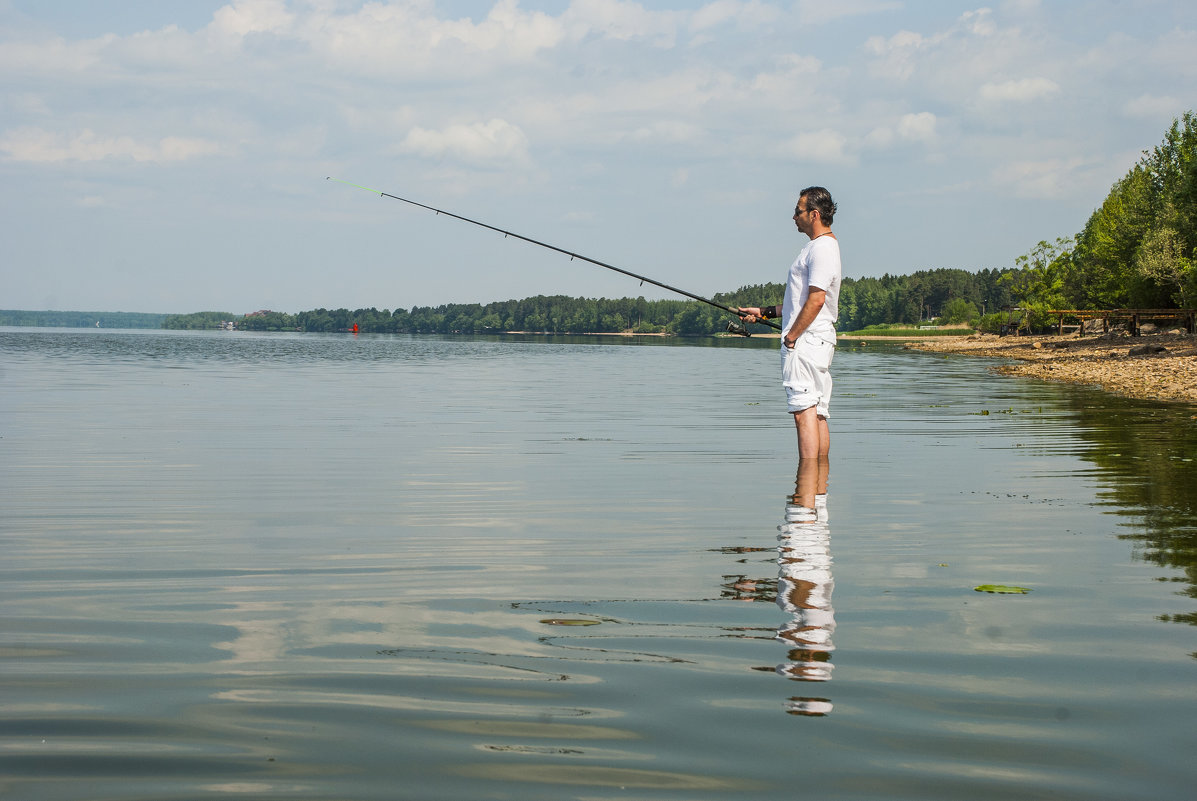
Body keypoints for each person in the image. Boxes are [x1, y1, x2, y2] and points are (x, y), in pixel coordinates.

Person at [739, 187, 841, 459]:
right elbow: (800, 302)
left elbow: (817, 299)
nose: (794, 216)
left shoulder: (821, 248)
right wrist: (764, 312)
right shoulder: (822, 247)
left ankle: (805, 495)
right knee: (817, 412)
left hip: (807, 341)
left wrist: (792, 337)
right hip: (815, 339)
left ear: (814, 214)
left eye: (798, 211)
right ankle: (817, 494)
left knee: (803, 412)